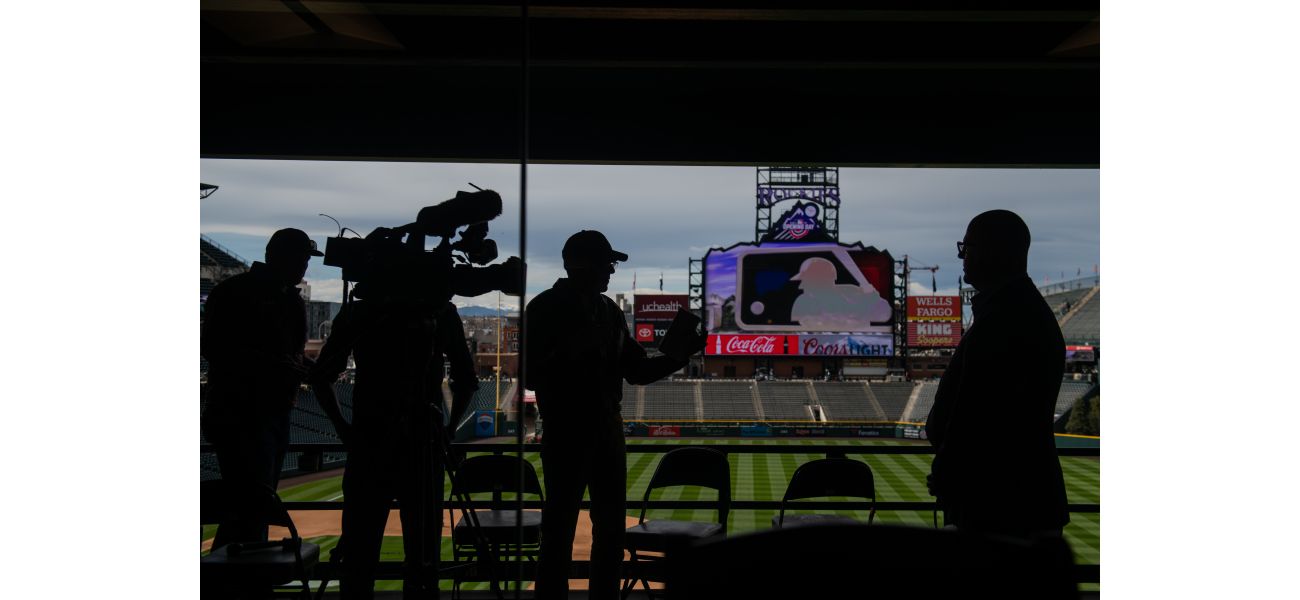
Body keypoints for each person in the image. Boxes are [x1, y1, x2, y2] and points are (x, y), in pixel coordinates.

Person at [525, 230, 705, 600]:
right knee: (558, 532)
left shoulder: (609, 312)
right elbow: (531, 374)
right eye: (607, 263)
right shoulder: (545, 308)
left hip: (607, 431)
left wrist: (678, 356)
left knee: (609, 533)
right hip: (567, 432)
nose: (611, 271)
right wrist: (574, 349)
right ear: (585, 266)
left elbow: (636, 370)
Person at [311, 293, 477, 599]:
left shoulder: (360, 311)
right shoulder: (441, 311)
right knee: (423, 562)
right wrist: (449, 430)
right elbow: (466, 380)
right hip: (422, 444)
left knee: (358, 561)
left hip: (369, 441)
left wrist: (344, 429)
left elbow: (321, 376)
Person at [925, 210, 1069, 540]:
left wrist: (948, 468)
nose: (962, 257)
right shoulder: (1012, 308)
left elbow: (977, 413)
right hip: (1010, 499)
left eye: (968, 246)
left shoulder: (1008, 316)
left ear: (995, 250)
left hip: (1002, 504)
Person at [201, 228, 322, 549]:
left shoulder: (284, 298)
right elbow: (213, 347)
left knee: (254, 506)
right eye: (302, 258)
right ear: (280, 257)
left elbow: (289, 357)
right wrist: (281, 365)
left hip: (274, 410)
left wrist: (309, 368)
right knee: (248, 507)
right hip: (239, 413)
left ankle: (243, 581)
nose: (305, 267)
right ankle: (238, 584)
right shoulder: (236, 292)